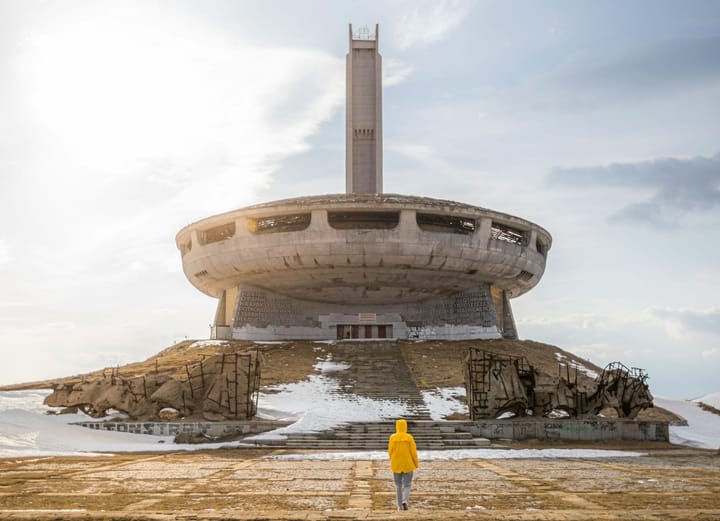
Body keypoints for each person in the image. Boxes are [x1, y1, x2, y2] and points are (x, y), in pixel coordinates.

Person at [387, 418, 419, 510]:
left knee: (398, 485)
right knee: (407, 484)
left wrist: (392, 461)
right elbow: (413, 452)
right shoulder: (409, 437)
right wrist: (416, 463)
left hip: (396, 464)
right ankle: (405, 500)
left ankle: (399, 505)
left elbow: (390, 451)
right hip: (408, 464)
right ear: (405, 426)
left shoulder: (393, 437)